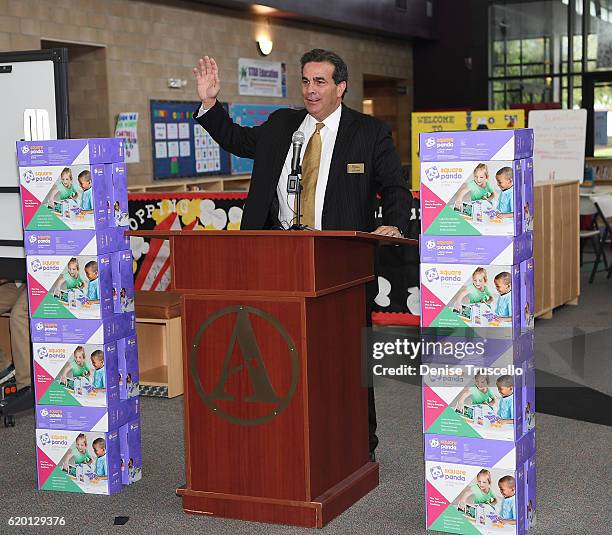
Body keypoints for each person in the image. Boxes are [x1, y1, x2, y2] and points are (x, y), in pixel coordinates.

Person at [193, 49, 412, 459]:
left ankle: (358, 443)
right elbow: (238, 140)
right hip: (275, 258)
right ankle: (289, 439)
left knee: (345, 359)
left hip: (340, 263)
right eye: (306, 81)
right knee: (279, 354)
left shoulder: (369, 132)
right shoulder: (282, 125)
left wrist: (396, 224)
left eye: (321, 82)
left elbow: (396, 186)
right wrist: (210, 103)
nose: (311, 91)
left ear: (340, 87)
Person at [0, 280, 32, 398]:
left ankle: (26, 386)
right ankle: (4, 368)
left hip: (42, 279)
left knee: (20, 314)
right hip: (15, 281)